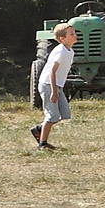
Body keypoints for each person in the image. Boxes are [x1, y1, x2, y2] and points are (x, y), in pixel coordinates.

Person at [31, 22, 75, 151]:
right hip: (48, 85)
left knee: (65, 114)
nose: (75, 35)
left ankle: (39, 129)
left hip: (57, 86)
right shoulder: (60, 51)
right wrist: (54, 92)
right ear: (62, 38)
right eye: (71, 34)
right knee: (52, 116)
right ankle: (42, 144)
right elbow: (52, 71)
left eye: (74, 33)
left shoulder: (70, 51)